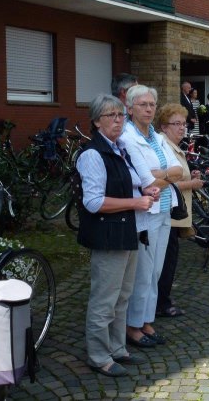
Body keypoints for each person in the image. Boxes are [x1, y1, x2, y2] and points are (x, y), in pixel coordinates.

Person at [77, 93, 160, 377]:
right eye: (110, 116)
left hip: (129, 231)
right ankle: (99, 355)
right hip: (109, 235)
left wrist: (145, 191)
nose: (117, 120)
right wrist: (135, 203)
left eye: (120, 115)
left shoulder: (120, 148)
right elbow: (93, 202)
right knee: (104, 298)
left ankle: (116, 347)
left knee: (123, 295)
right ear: (96, 122)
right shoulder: (92, 155)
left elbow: (129, 184)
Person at [120, 85, 183, 348]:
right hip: (145, 212)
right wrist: (163, 174)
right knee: (143, 272)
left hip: (165, 208)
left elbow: (178, 169)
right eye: (143, 104)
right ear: (130, 108)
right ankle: (132, 326)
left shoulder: (156, 137)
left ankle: (146, 321)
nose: (148, 109)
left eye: (151, 104)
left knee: (156, 270)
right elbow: (143, 178)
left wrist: (161, 175)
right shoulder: (126, 137)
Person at [156, 104, 204, 318]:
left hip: (174, 212)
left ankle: (161, 300)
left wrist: (189, 176)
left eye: (184, 124)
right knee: (167, 260)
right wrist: (191, 184)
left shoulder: (173, 146)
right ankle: (162, 303)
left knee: (168, 258)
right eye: (176, 124)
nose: (182, 128)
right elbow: (163, 183)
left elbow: (178, 176)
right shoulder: (163, 146)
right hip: (169, 212)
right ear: (164, 127)